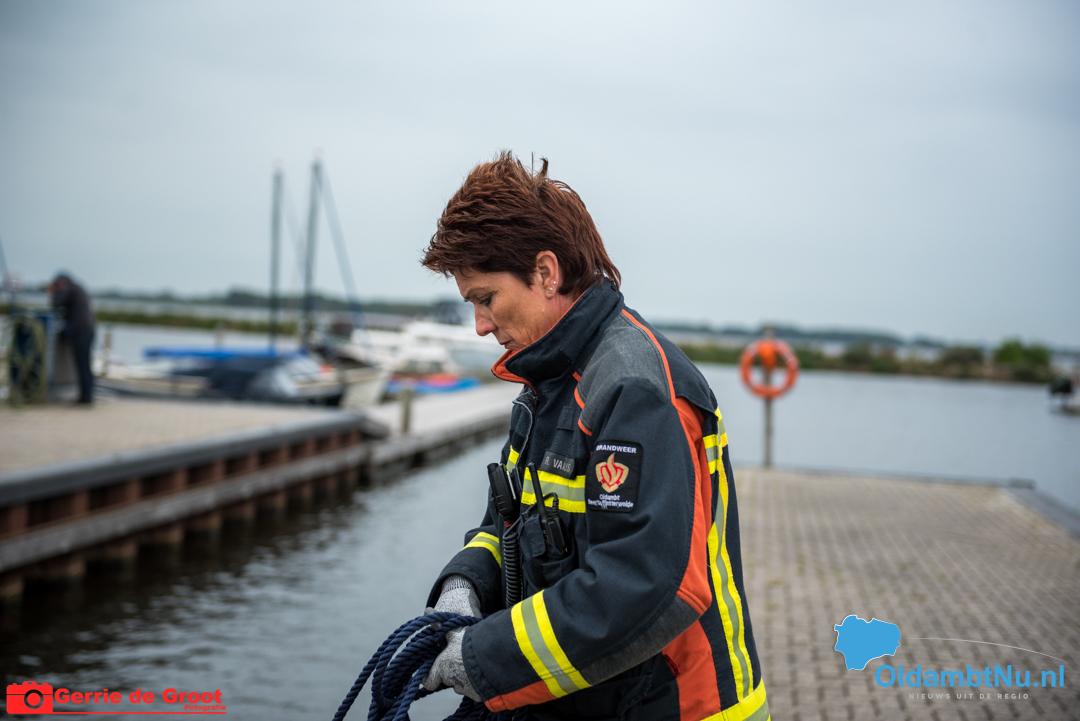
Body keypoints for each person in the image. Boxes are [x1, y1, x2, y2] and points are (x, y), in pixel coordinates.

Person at [418, 153, 768, 721]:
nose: (480, 325)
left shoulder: (634, 388)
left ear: (546, 273)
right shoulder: (547, 383)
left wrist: (481, 660)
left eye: (486, 298)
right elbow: (507, 528)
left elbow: (644, 586)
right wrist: (464, 584)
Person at [48, 272, 96, 404]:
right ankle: (87, 396)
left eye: (57, 285)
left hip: (81, 332)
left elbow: (56, 304)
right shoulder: (77, 289)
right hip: (87, 330)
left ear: (62, 282)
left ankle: (86, 398)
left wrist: (52, 292)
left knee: (83, 365)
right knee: (85, 365)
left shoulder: (69, 290)